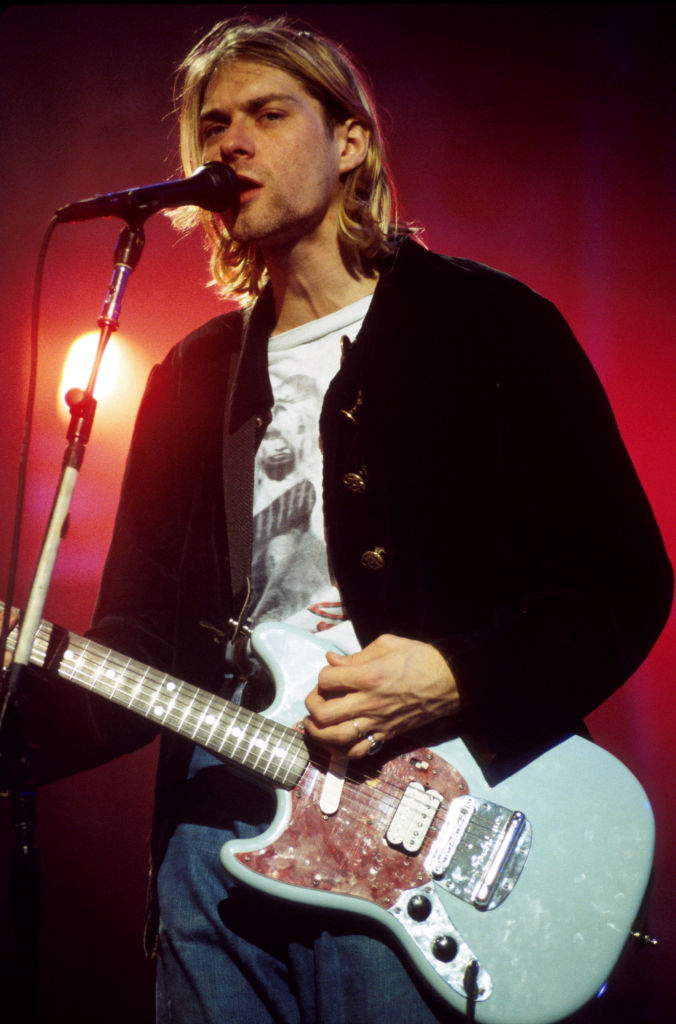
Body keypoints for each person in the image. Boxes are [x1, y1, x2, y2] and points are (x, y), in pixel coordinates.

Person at [14, 14, 673, 1024]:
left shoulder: (490, 328)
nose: (228, 142)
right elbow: (143, 636)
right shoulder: (190, 378)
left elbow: (619, 581)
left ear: (351, 141)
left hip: (427, 823)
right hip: (216, 832)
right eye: (211, 123)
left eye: (267, 113)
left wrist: (458, 671)